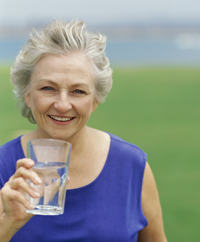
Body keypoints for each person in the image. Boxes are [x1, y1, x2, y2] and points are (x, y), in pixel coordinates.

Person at [0, 19, 167, 242]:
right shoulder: (3, 167)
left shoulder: (132, 165)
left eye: (78, 91)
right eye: (48, 88)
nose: (62, 104)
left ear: (95, 100)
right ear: (28, 95)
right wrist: (8, 225)